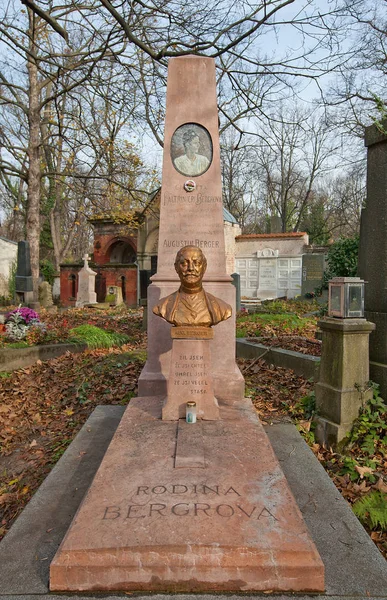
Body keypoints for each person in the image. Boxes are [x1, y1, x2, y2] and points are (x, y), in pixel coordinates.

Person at [153, 246, 231, 327]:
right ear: (176, 267)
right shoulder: (163, 306)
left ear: (204, 267)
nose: (191, 268)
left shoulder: (221, 308)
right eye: (184, 263)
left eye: (196, 263)